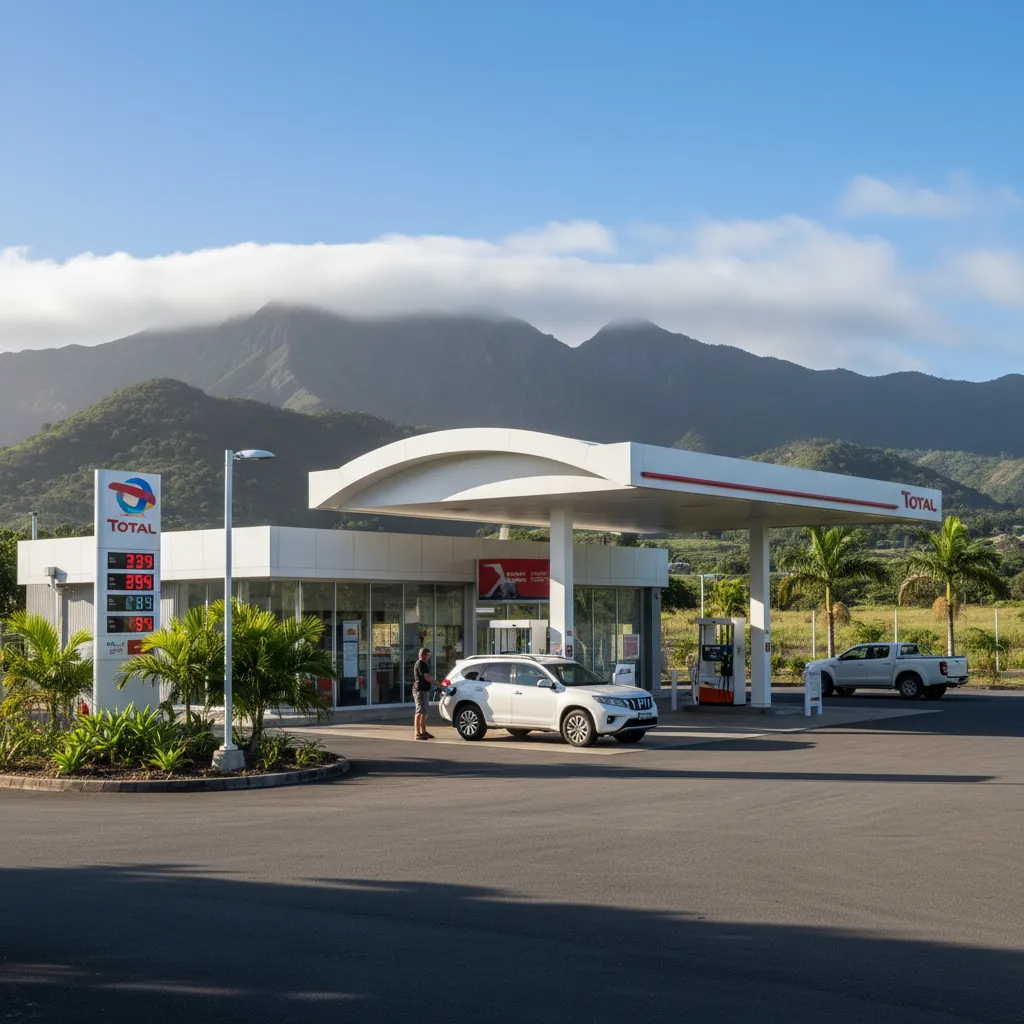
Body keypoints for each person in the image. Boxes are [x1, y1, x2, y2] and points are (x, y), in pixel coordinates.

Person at [413, 647, 436, 740]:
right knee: (420, 710)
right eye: (428, 655)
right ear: (423, 655)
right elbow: (427, 677)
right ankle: (417, 732)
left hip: (424, 690)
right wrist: (437, 683)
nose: (429, 656)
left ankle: (423, 731)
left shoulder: (424, 664)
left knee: (425, 712)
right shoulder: (420, 663)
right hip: (419, 690)